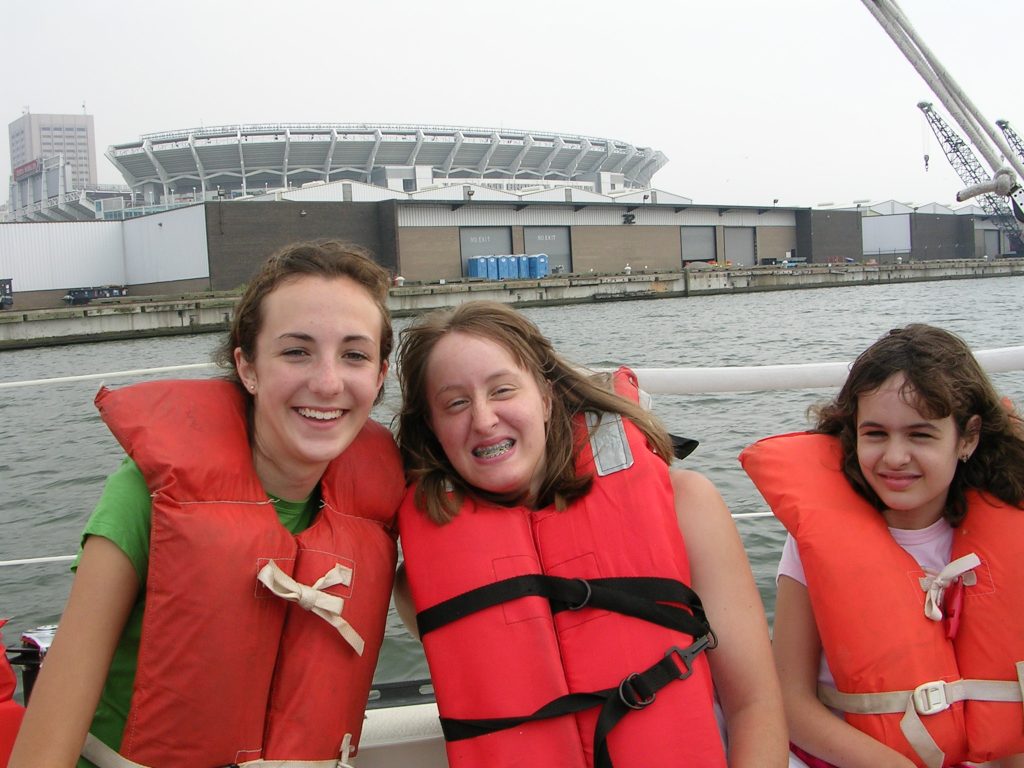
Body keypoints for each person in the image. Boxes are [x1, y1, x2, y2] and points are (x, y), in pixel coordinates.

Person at [9, 240, 405, 768]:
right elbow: (49, 734)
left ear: (379, 377)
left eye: (354, 355)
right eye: (295, 351)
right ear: (247, 367)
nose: (327, 382)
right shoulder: (146, 496)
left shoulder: (385, 506)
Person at [394, 300, 786, 768]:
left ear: (544, 396)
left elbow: (755, 705)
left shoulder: (687, 505)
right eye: (455, 403)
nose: (482, 419)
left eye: (502, 390)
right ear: (433, 428)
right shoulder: (417, 579)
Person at [740, 324, 1024, 768]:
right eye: (875, 434)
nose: (894, 457)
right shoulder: (815, 540)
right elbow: (790, 700)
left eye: (920, 435)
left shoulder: (1012, 534)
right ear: (853, 433)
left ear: (967, 438)